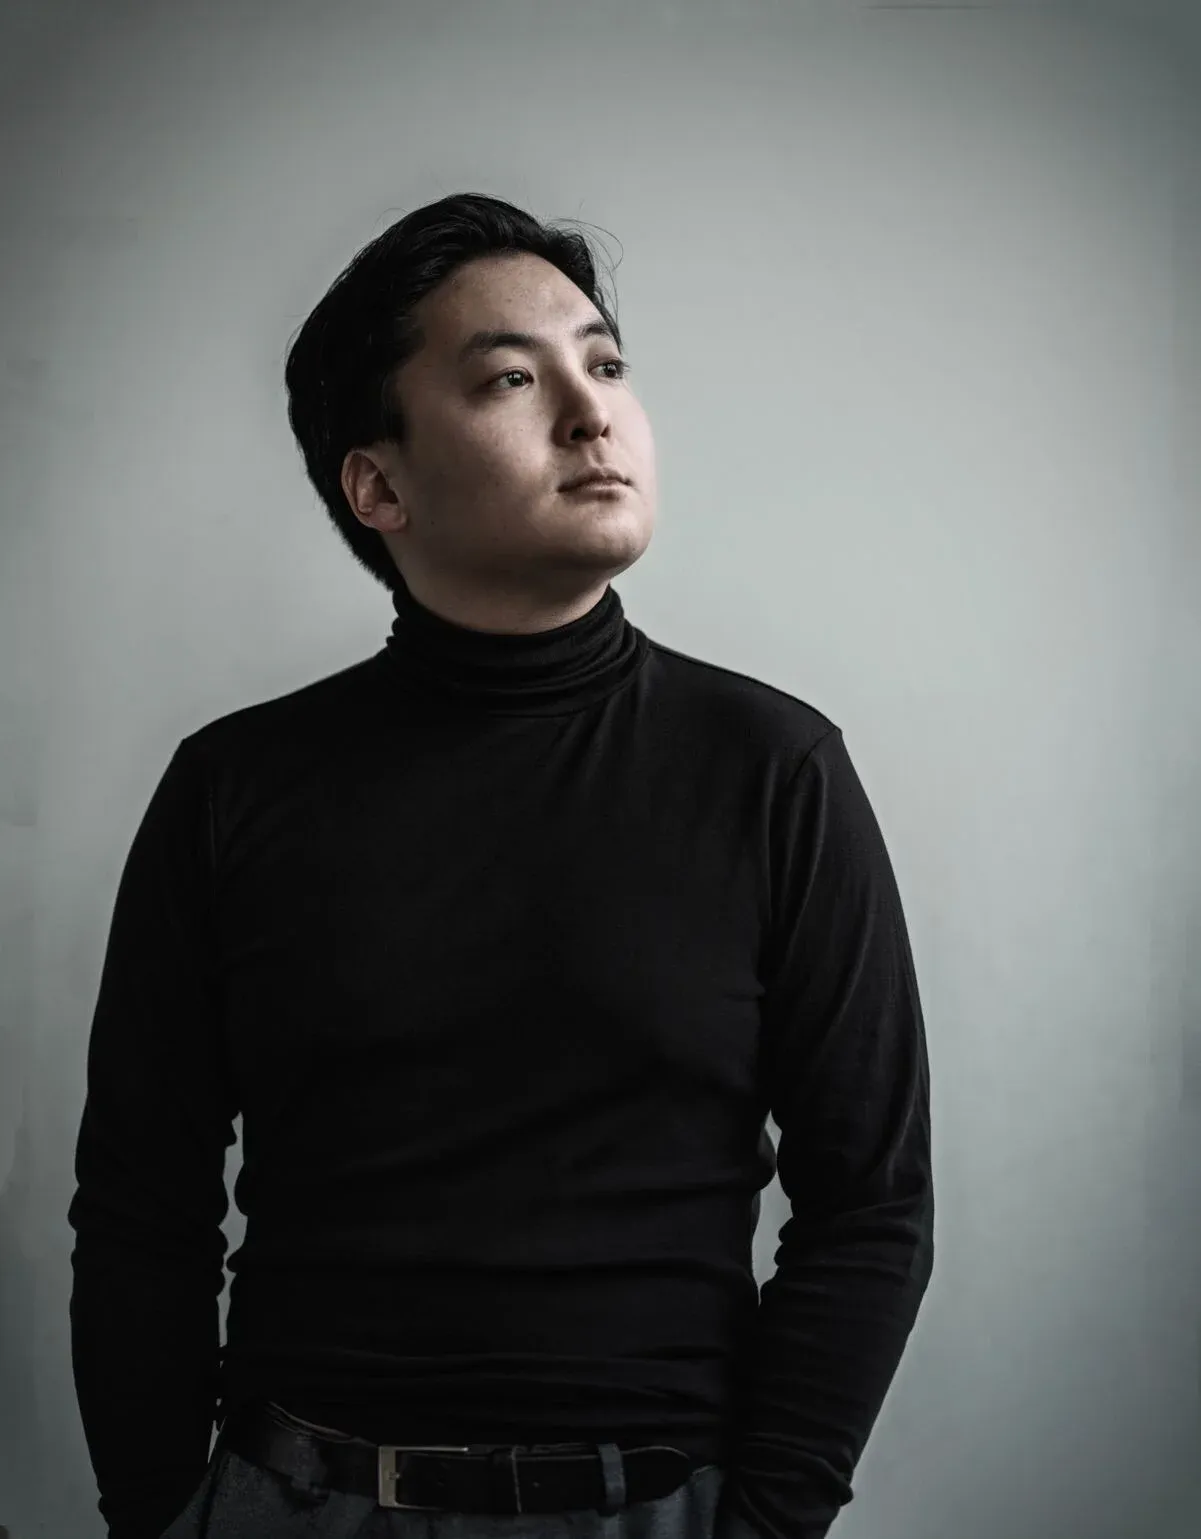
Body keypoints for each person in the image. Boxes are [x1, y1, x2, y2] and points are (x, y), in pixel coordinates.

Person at [67, 192, 934, 1539]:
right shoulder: (233, 790)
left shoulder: (775, 770)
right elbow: (142, 1207)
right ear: (379, 485)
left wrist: (765, 1523)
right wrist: (159, 1515)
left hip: (662, 1505)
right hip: (300, 1499)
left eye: (606, 364)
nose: (593, 415)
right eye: (511, 380)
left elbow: (871, 1202)